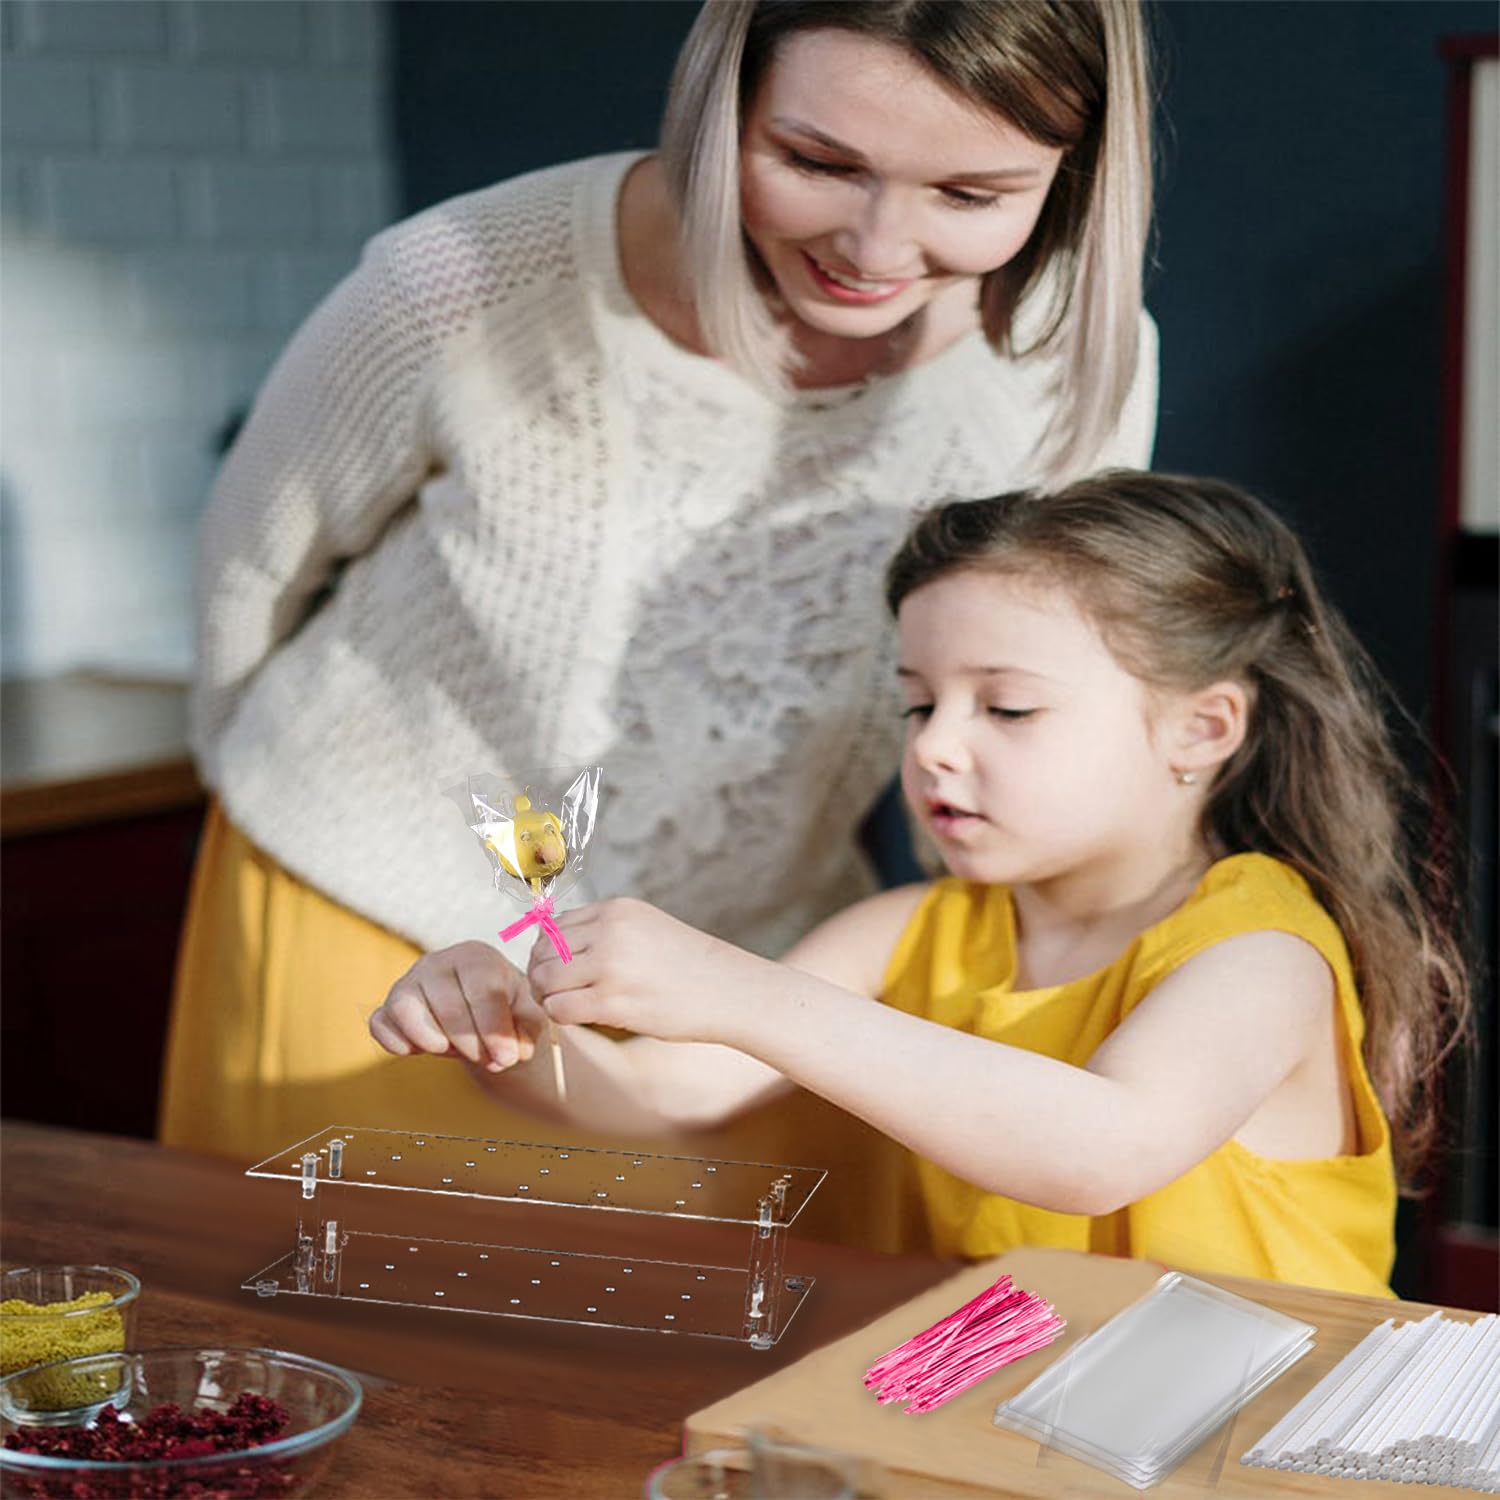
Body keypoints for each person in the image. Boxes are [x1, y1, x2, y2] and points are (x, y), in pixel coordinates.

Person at [161, 0, 1158, 1252]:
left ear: (1075, 174)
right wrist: (247, 777)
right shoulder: (466, 277)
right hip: (383, 932)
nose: (875, 243)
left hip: (766, 979)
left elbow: (1033, 700)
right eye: (815, 162)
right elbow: (252, 563)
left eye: (970, 193)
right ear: (721, 100)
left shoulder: (1072, 368)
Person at [371, 473, 1472, 1296]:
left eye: (1007, 708)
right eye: (918, 704)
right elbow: (662, 1097)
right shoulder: (911, 930)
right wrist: (513, 1033)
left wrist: (744, 992)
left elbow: (1100, 1151)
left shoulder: (1260, 955)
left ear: (1203, 727)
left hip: (1260, 1437)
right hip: (1016, 1410)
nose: (937, 748)